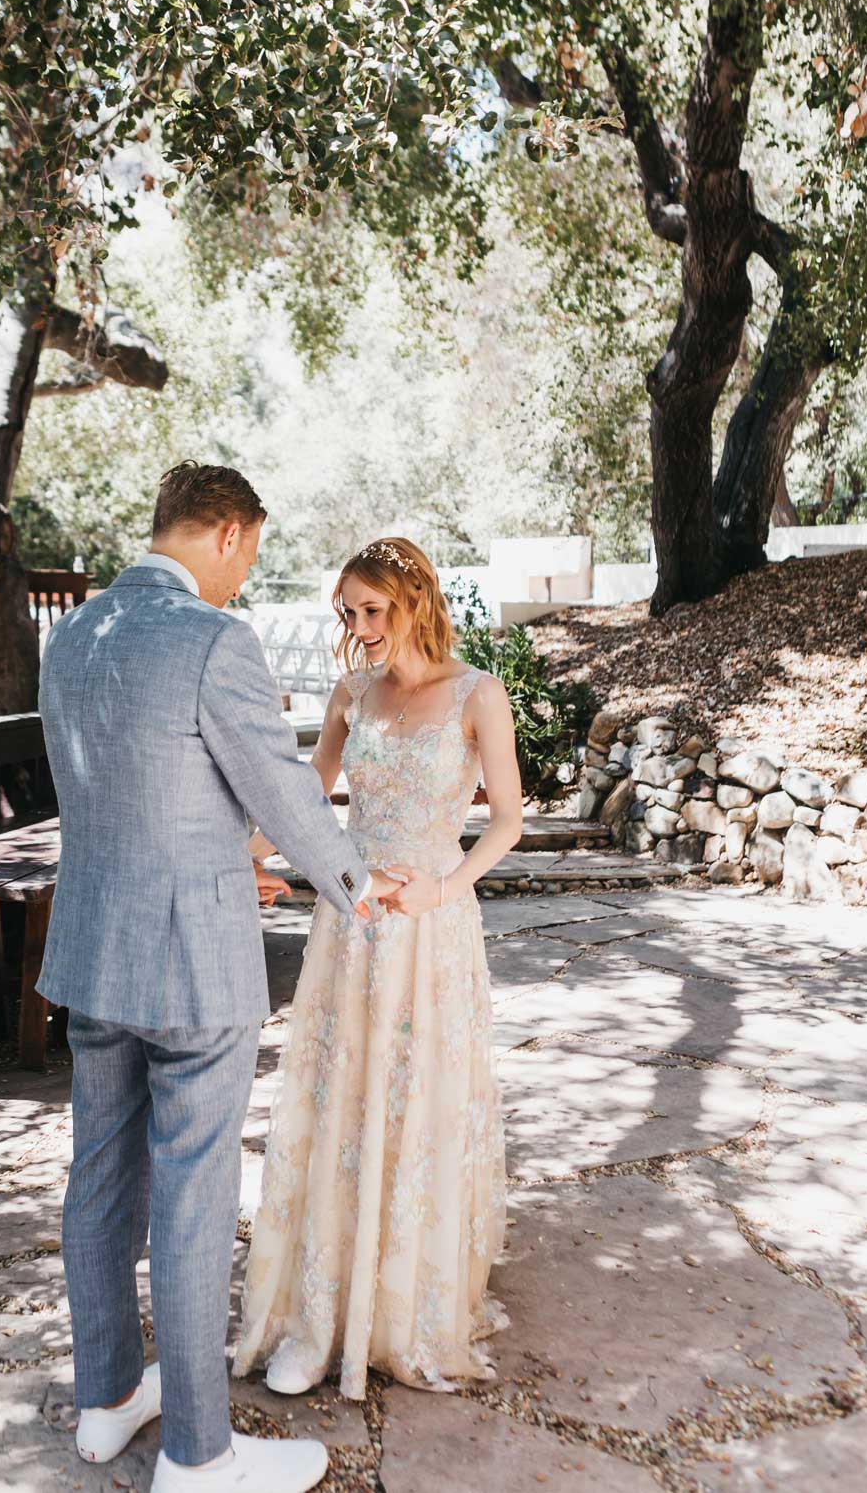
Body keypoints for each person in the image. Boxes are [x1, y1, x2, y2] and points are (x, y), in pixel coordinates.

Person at [36, 464, 403, 1493]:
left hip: (92, 957)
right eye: (249, 556)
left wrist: (225, 849)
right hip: (192, 968)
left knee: (100, 1181)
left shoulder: (70, 635)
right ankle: (201, 1456)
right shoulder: (211, 637)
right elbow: (279, 783)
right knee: (192, 1200)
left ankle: (107, 1403)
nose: (244, 579)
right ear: (231, 535)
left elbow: (124, 785)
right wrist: (356, 883)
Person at [233, 536, 523, 1400]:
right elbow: (305, 795)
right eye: (349, 613)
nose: (360, 629)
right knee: (339, 1094)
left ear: (416, 601)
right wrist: (237, 856)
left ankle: (401, 1308)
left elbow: (507, 819)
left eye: (374, 610)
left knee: (414, 1097)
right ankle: (316, 1310)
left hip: (430, 926)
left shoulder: (478, 693)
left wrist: (446, 887)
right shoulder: (352, 693)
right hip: (348, 920)